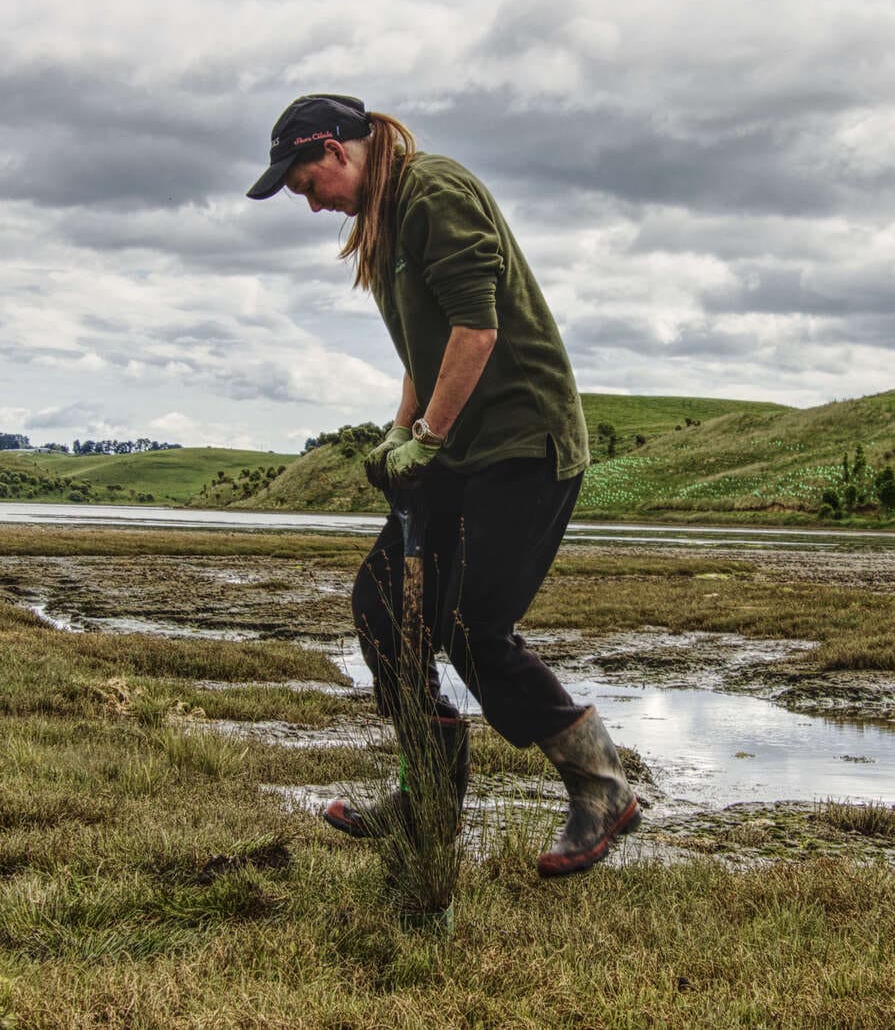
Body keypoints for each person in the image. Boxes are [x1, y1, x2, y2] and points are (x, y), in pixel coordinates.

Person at [246, 93, 640, 876]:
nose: (312, 201)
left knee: (470, 627)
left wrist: (428, 437)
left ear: (332, 151)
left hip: (525, 445)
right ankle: (426, 799)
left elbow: (476, 329)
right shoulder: (388, 220)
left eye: (305, 184)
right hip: (461, 454)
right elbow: (426, 350)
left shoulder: (435, 193)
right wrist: (401, 432)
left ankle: (601, 786)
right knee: (383, 606)